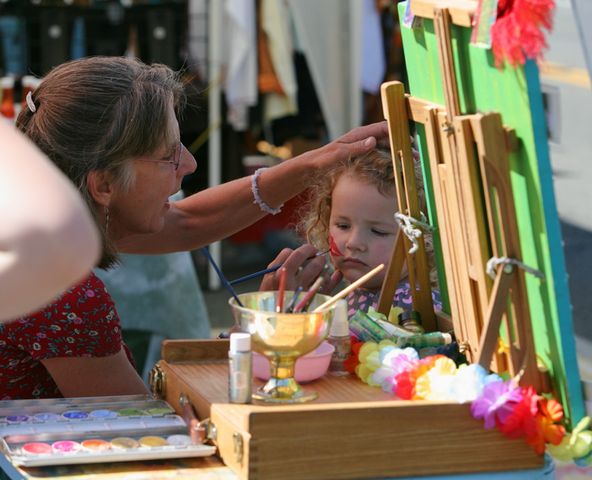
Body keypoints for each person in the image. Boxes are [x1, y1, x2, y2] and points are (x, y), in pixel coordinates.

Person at [0, 55, 388, 400]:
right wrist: (259, 333)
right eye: (169, 155)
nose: (189, 165)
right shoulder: (62, 292)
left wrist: (315, 163)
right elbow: (145, 430)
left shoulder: (30, 224)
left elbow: (186, 223)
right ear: (104, 185)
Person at [298, 148, 440, 320]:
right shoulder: (357, 293)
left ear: (421, 238)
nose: (354, 242)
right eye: (343, 225)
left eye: (378, 231)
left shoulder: (417, 308)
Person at [0, 121, 100, 323]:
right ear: (103, 183)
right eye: (166, 156)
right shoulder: (75, 296)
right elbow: (58, 239)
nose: (184, 164)